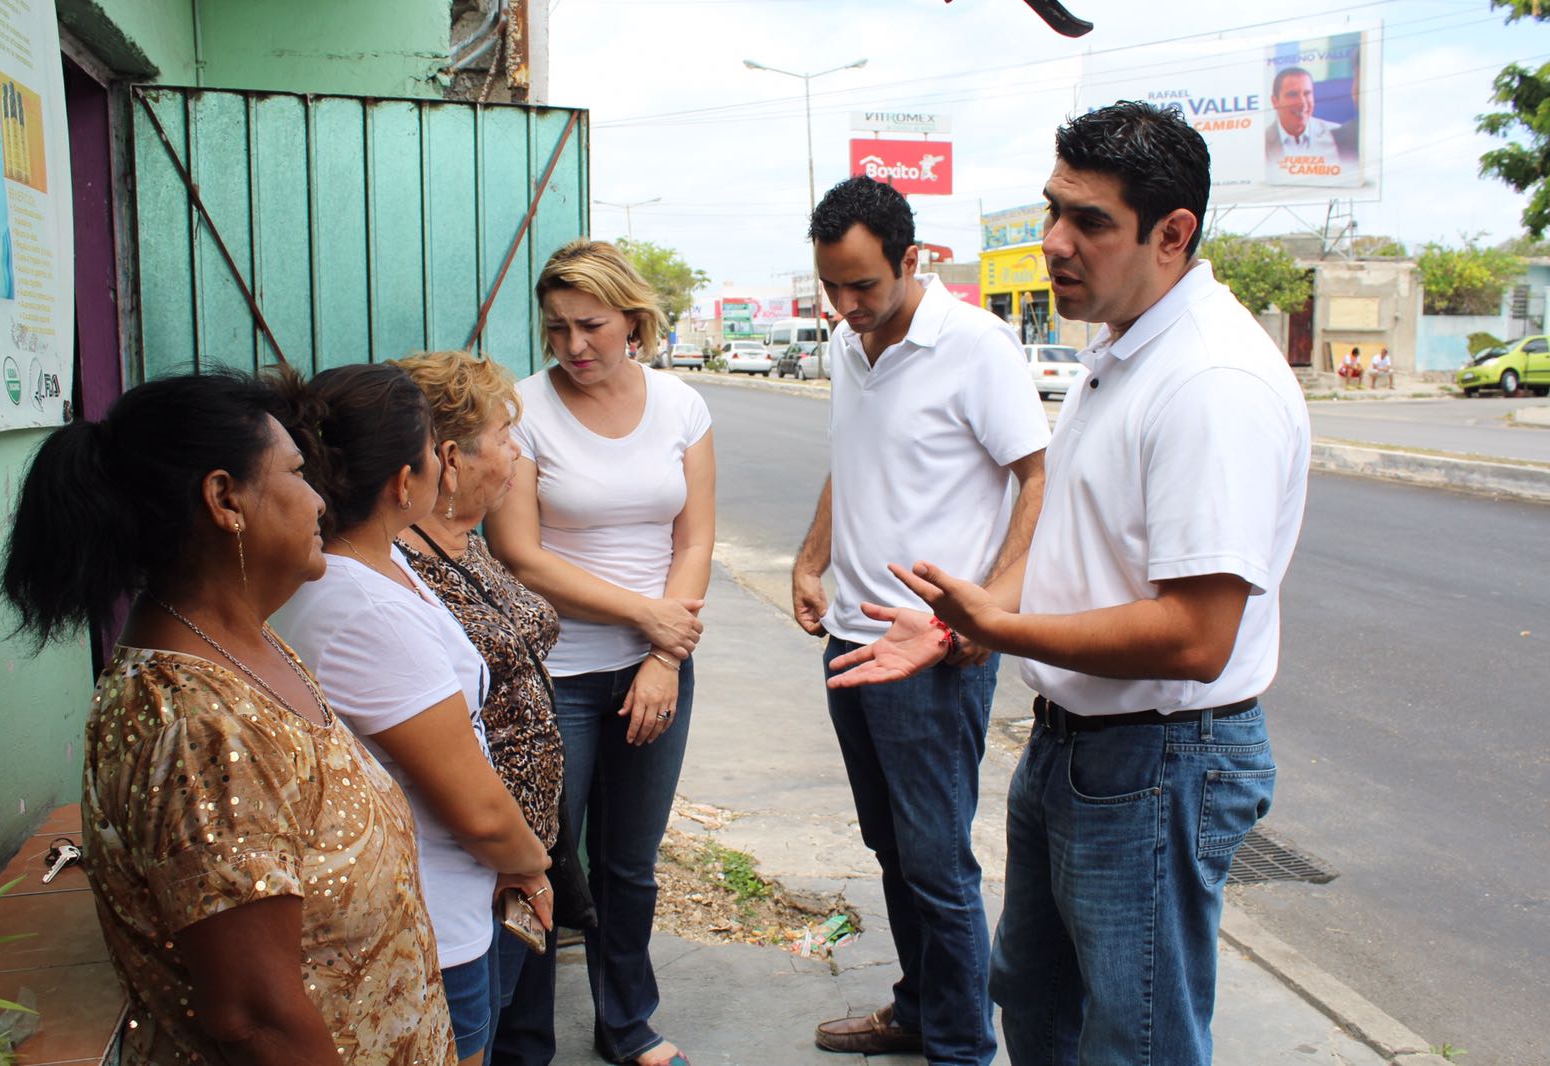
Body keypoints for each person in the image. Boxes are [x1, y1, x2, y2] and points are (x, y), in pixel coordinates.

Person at [828, 101, 1311, 1065]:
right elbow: (1067, 523)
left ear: (1173, 235)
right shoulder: (1122, 349)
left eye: (1089, 222)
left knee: (1133, 1036)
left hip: (1160, 760)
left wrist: (999, 631)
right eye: (1054, 210)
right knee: (1036, 1005)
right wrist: (976, 621)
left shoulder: (1211, 383)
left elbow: (1194, 636)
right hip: (1076, 746)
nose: (1054, 243)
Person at [0, 372, 457, 1065]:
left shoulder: (249, 645)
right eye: (298, 473)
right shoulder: (198, 729)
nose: (318, 499)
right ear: (225, 499)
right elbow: (256, 1020)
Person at [791, 176, 1049, 1066]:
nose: (847, 304)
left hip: (934, 657)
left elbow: (1038, 478)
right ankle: (921, 1008)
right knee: (892, 848)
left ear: (912, 259)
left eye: (863, 284)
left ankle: (963, 1048)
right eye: (832, 285)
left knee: (937, 865)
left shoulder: (975, 345)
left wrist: (995, 604)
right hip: (851, 647)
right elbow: (850, 459)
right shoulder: (846, 346)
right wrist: (809, 555)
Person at [269, 364, 551, 1066]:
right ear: (405, 480)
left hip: (451, 898)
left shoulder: (379, 563)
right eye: (434, 449)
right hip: (429, 920)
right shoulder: (358, 607)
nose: (445, 463)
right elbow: (475, 806)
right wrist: (529, 865)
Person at [489, 239, 715, 1066]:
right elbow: (522, 556)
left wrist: (662, 653)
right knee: (539, 857)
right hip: (555, 674)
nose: (573, 347)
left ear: (633, 320)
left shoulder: (682, 405)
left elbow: (694, 539)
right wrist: (648, 619)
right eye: (555, 330)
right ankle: (522, 1044)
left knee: (630, 864)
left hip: (657, 670)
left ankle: (629, 1025)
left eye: (590, 326)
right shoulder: (522, 411)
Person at [394, 349, 565, 1066]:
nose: (515, 454)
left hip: (518, 854)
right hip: (481, 863)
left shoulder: (468, 542)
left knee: (513, 1031)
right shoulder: (404, 565)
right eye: (503, 436)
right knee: (478, 1032)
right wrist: (517, 859)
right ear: (450, 459)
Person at [1264, 67, 1343, 171]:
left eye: (1307, 93)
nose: (1302, 103)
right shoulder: (1260, 142)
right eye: (1292, 95)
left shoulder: (1338, 136)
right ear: (1275, 101)